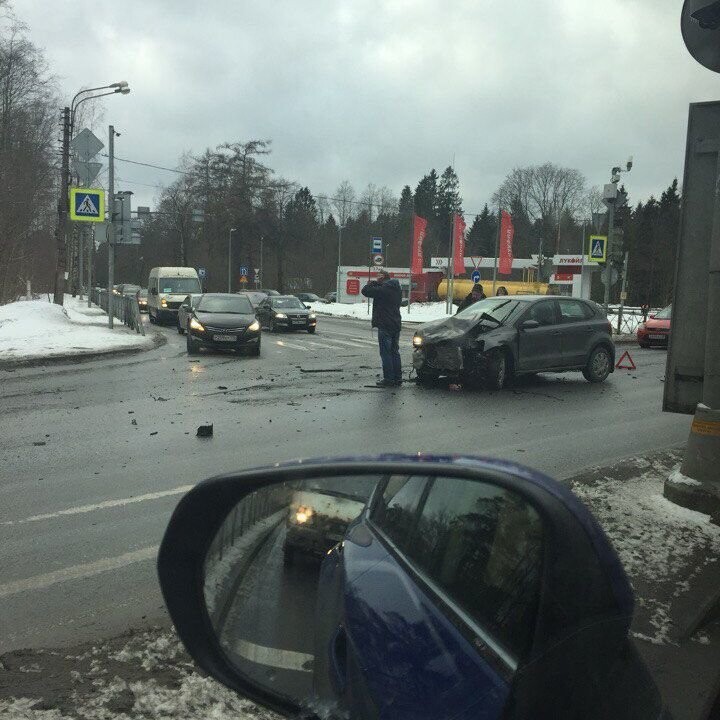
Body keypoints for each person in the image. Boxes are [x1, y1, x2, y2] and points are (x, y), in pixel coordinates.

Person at [361, 270, 403, 387]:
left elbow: (365, 291)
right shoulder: (396, 288)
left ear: (383, 277)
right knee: (395, 352)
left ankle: (389, 379)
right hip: (396, 323)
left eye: (379, 276)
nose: (377, 277)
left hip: (385, 324)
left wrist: (371, 283)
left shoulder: (384, 289)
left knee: (386, 353)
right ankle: (398, 378)